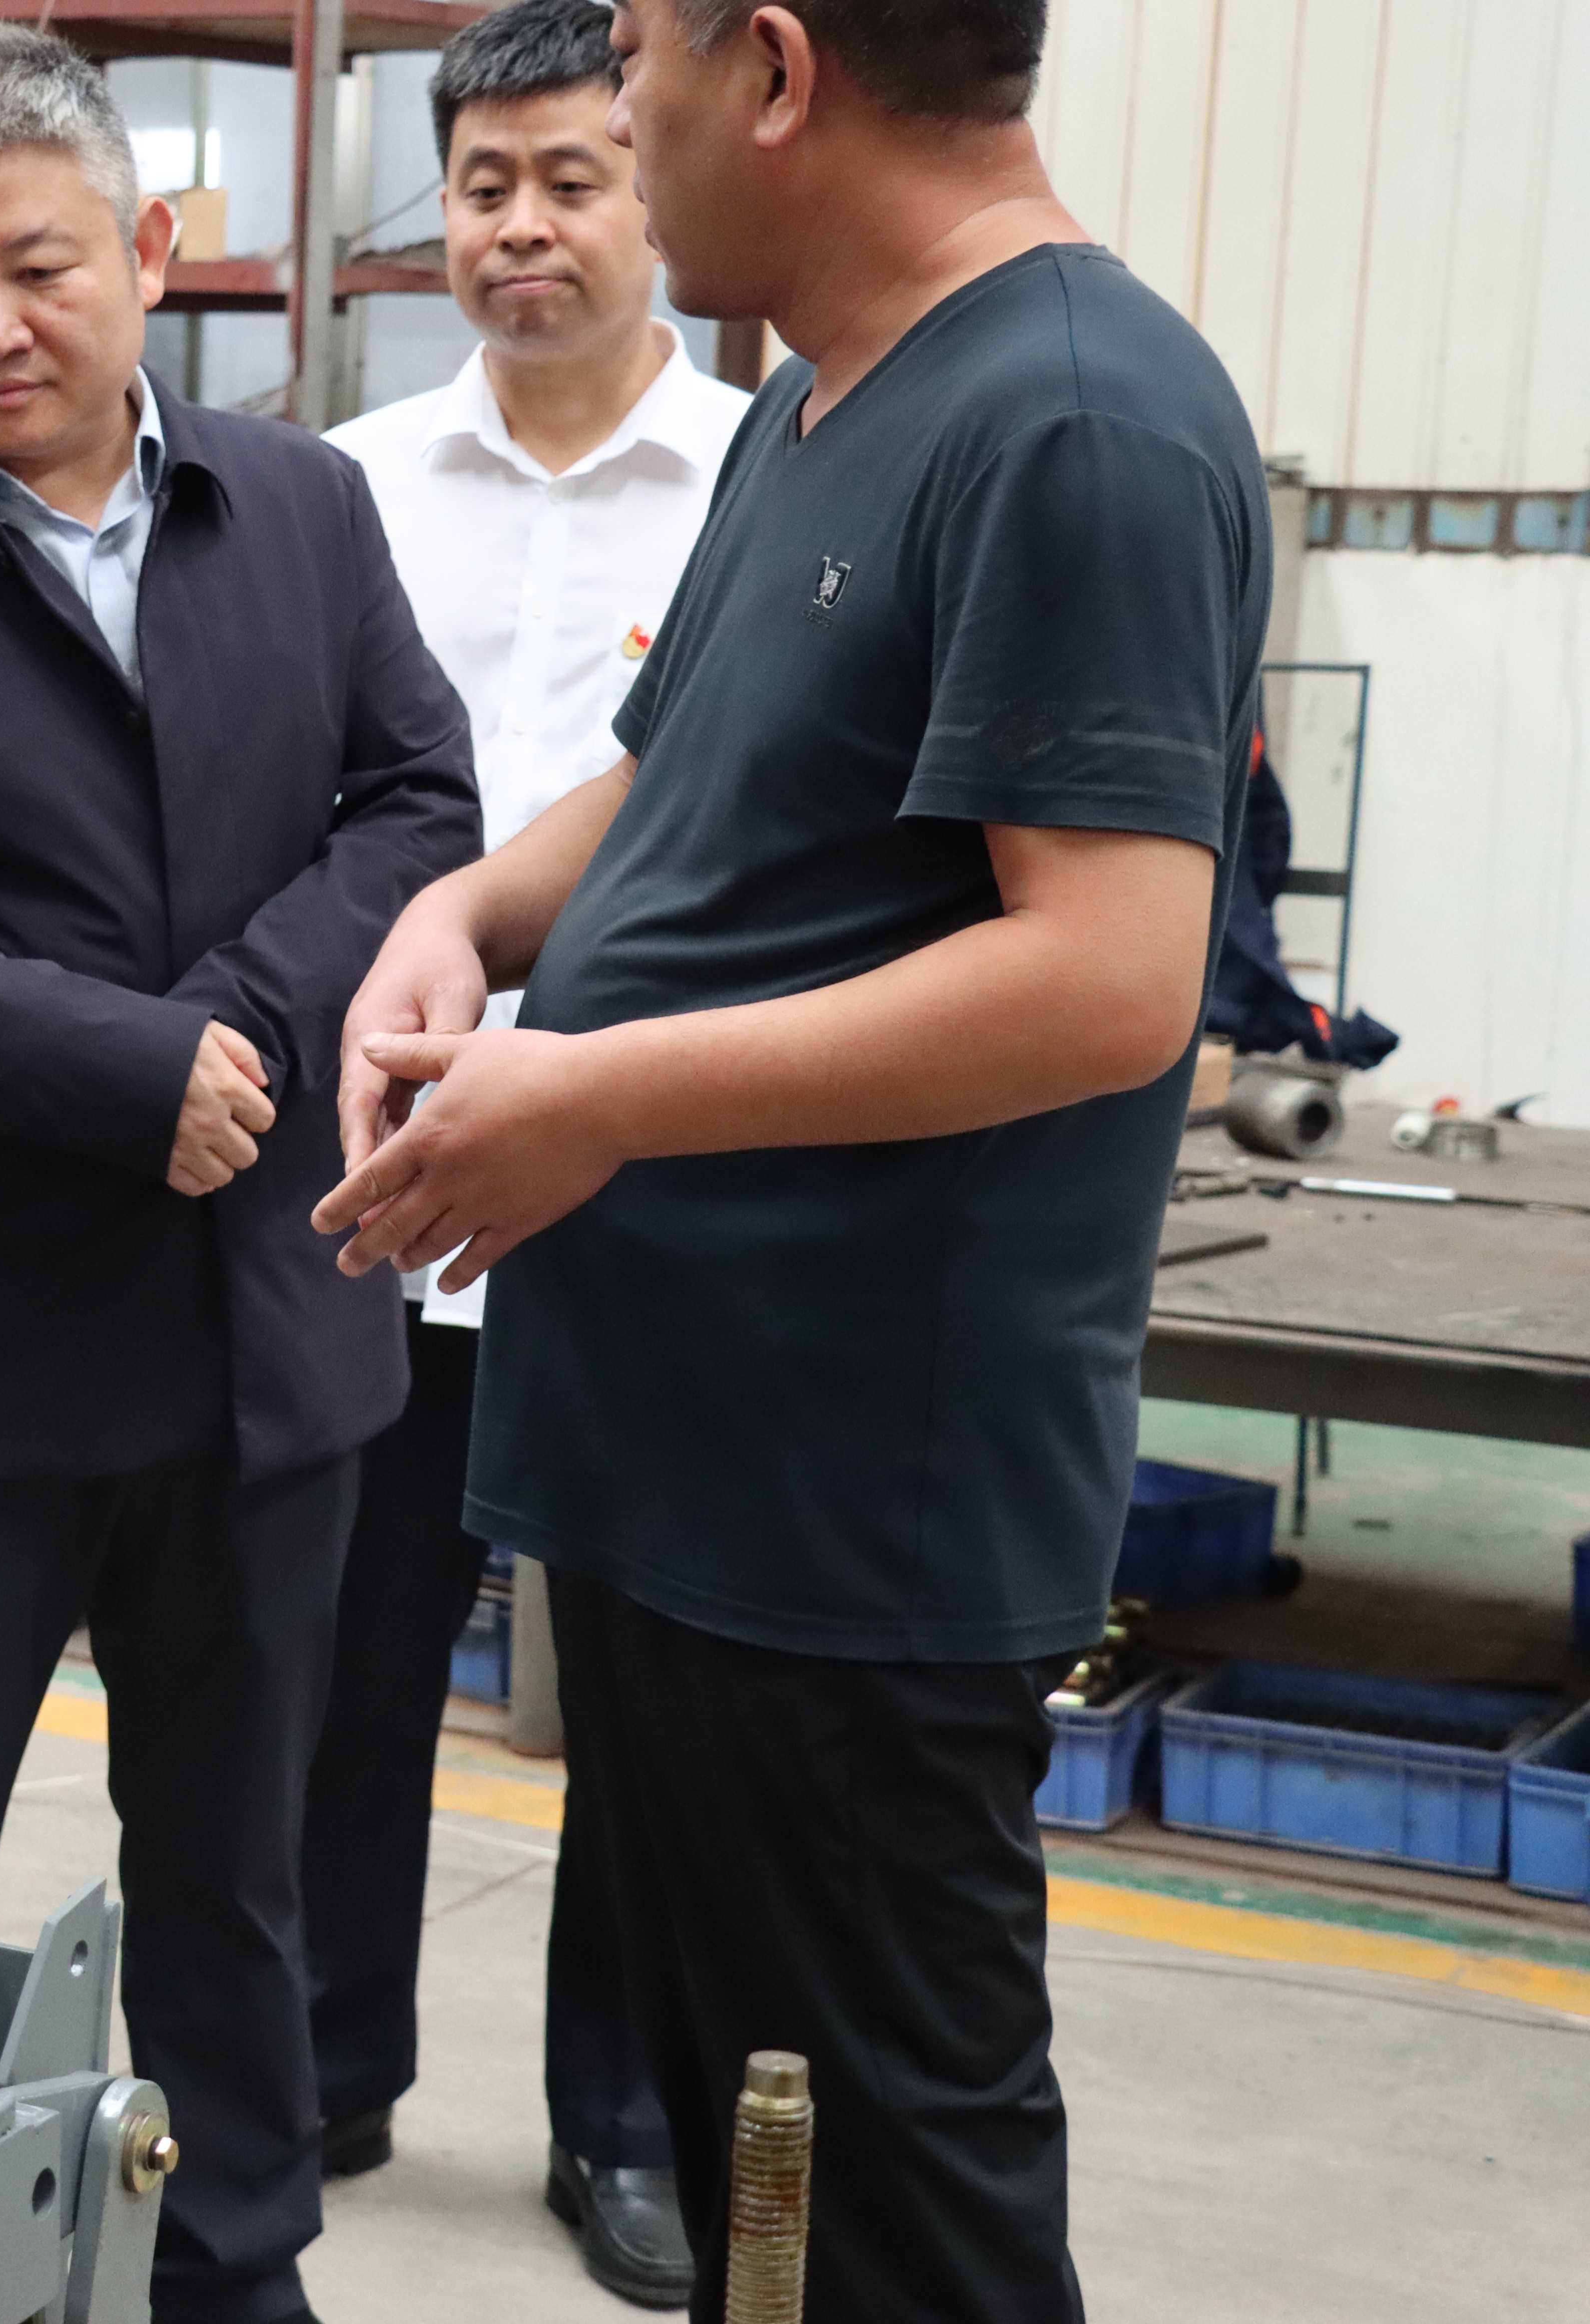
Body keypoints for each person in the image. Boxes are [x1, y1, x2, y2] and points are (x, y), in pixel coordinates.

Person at [315, 3, 1267, 2317]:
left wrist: (599, 1091)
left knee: (898, 2194)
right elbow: (681, 779)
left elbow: (1109, 976)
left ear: (771, 67)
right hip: (687, 1470)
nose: (620, 117)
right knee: (769, 2166)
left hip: (855, 1513)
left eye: (638, 55)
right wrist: (464, 917)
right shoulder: (827, 401)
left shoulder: (1074, 421)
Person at [0, 30, 480, 2321]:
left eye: (39, 267)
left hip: (268, 1327)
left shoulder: (303, 509)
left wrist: (236, 1020)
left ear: (148, 251)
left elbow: (418, 803)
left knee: (237, 1871)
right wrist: (119, 1064)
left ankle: (239, 2270)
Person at [300, 1, 742, 2304]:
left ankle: (630, 2116)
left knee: (652, 1693)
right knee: (339, 1653)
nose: (524, 224)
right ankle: (322, 2054)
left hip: (660, 1175)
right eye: (484, 184)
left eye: (573, 177)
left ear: (653, 183)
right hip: (386, 1178)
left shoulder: (774, 480)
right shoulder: (343, 484)